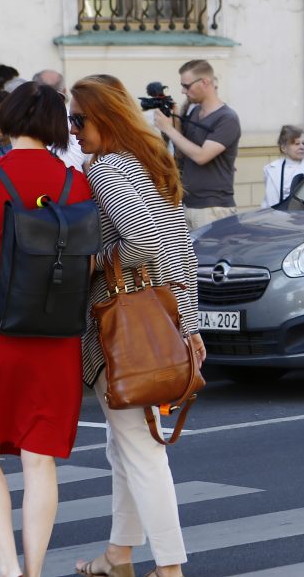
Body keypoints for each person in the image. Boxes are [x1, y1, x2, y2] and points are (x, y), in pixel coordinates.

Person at [69, 75, 205, 577]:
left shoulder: (105, 169)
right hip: (158, 320)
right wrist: (189, 326)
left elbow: (146, 241)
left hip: (121, 330)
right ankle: (118, 556)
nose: (73, 130)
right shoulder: (149, 163)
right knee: (126, 442)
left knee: (141, 449)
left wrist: (96, 260)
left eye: (79, 120)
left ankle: (169, 567)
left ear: (105, 118)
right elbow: (179, 249)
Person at [0, 81, 91, 577]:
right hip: (56, 331)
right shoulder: (76, 182)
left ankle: (7, 571)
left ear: (10, 119)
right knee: (40, 460)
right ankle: (35, 570)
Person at [153, 59, 241, 231]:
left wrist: (169, 129)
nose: (183, 91)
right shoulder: (193, 112)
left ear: (205, 82)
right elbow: (182, 152)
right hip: (187, 204)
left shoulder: (227, 118)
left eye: (187, 86)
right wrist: (175, 122)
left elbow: (202, 156)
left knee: (211, 258)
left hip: (213, 208)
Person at [33, 69, 92, 172]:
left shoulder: (24, 122)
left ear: (33, 91)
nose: (73, 130)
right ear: (64, 92)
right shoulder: (82, 120)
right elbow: (89, 165)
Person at [261, 124, 304, 207]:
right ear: (284, 148)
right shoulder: (270, 169)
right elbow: (267, 203)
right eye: (296, 143)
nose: (301, 147)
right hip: (279, 218)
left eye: (303, 143)